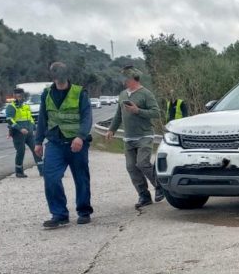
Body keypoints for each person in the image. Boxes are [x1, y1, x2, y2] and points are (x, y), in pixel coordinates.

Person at [35, 62, 94, 228]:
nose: (58, 80)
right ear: (52, 77)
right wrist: (38, 141)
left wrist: (80, 137)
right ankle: (59, 214)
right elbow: (42, 118)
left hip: (76, 143)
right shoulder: (46, 93)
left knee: (81, 178)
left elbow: (86, 116)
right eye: (56, 77)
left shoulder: (79, 92)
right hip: (55, 143)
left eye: (61, 76)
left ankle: (84, 211)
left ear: (67, 75)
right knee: (51, 178)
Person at [105, 66, 163, 208]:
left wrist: (138, 110)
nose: (123, 82)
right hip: (128, 137)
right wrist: (111, 129)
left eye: (125, 79)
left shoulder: (146, 94)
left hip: (144, 134)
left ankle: (160, 186)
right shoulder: (123, 94)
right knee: (131, 167)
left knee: (142, 163)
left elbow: (156, 113)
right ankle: (144, 195)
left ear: (132, 79)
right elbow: (119, 114)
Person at [6, 88, 43, 178]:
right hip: (18, 134)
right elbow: (9, 119)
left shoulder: (25, 105)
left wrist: (34, 128)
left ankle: (42, 170)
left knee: (36, 150)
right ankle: (19, 172)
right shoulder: (11, 106)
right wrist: (20, 129)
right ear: (14, 96)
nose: (20, 97)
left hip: (29, 133)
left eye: (21, 95)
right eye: (18, 95)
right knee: (20, 151)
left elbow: (30, 118)